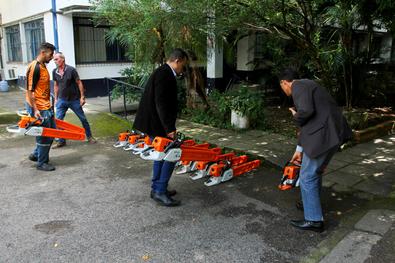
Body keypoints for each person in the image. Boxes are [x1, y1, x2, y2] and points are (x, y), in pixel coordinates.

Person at [279, 69, 352, 233]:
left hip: (324, 137)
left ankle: (313, 220)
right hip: (333, 135)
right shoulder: (309, 85)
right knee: (315, 172)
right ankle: (309, 203)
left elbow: (306, 113)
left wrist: (295, 115)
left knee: (307, 176)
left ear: (285, 82)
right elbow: (309, 122)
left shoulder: (298, 86)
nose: (284, 91)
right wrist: (299, 149)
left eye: (281, 87)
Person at [133, 48, 189, 207]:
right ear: (177, 61)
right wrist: (170, 128)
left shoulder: (162, 71)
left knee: (161, 155)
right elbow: (161, 104)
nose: (182, 69)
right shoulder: (165, 74)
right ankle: (159, 190)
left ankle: (157, 188)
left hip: (154, 123)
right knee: (172, 154)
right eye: (182, 65)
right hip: (158, 124)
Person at [52, 52, 96, 148]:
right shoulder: (54, 71)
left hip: (74, 100)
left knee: (83, 119)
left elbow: (79, 83)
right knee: (59, 121)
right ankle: (61, 141)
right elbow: (55, 86)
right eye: (54, 59)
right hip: (61, 100)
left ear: (62, 59)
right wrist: (55, 99)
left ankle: (89, 136)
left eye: (56, 59)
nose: (54, 61)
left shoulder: (71, 70)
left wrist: (82, 97)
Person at [25, 42, 56, 171]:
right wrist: (35, 109)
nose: (52, 57)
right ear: (43, 53)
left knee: (52, 131)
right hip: (39, 107)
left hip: (45, 105)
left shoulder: (43, 66)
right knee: (44, 135)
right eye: (50, 54)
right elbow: (29, 91)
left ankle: (37, 154)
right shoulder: (35, 67)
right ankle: (42, 163)